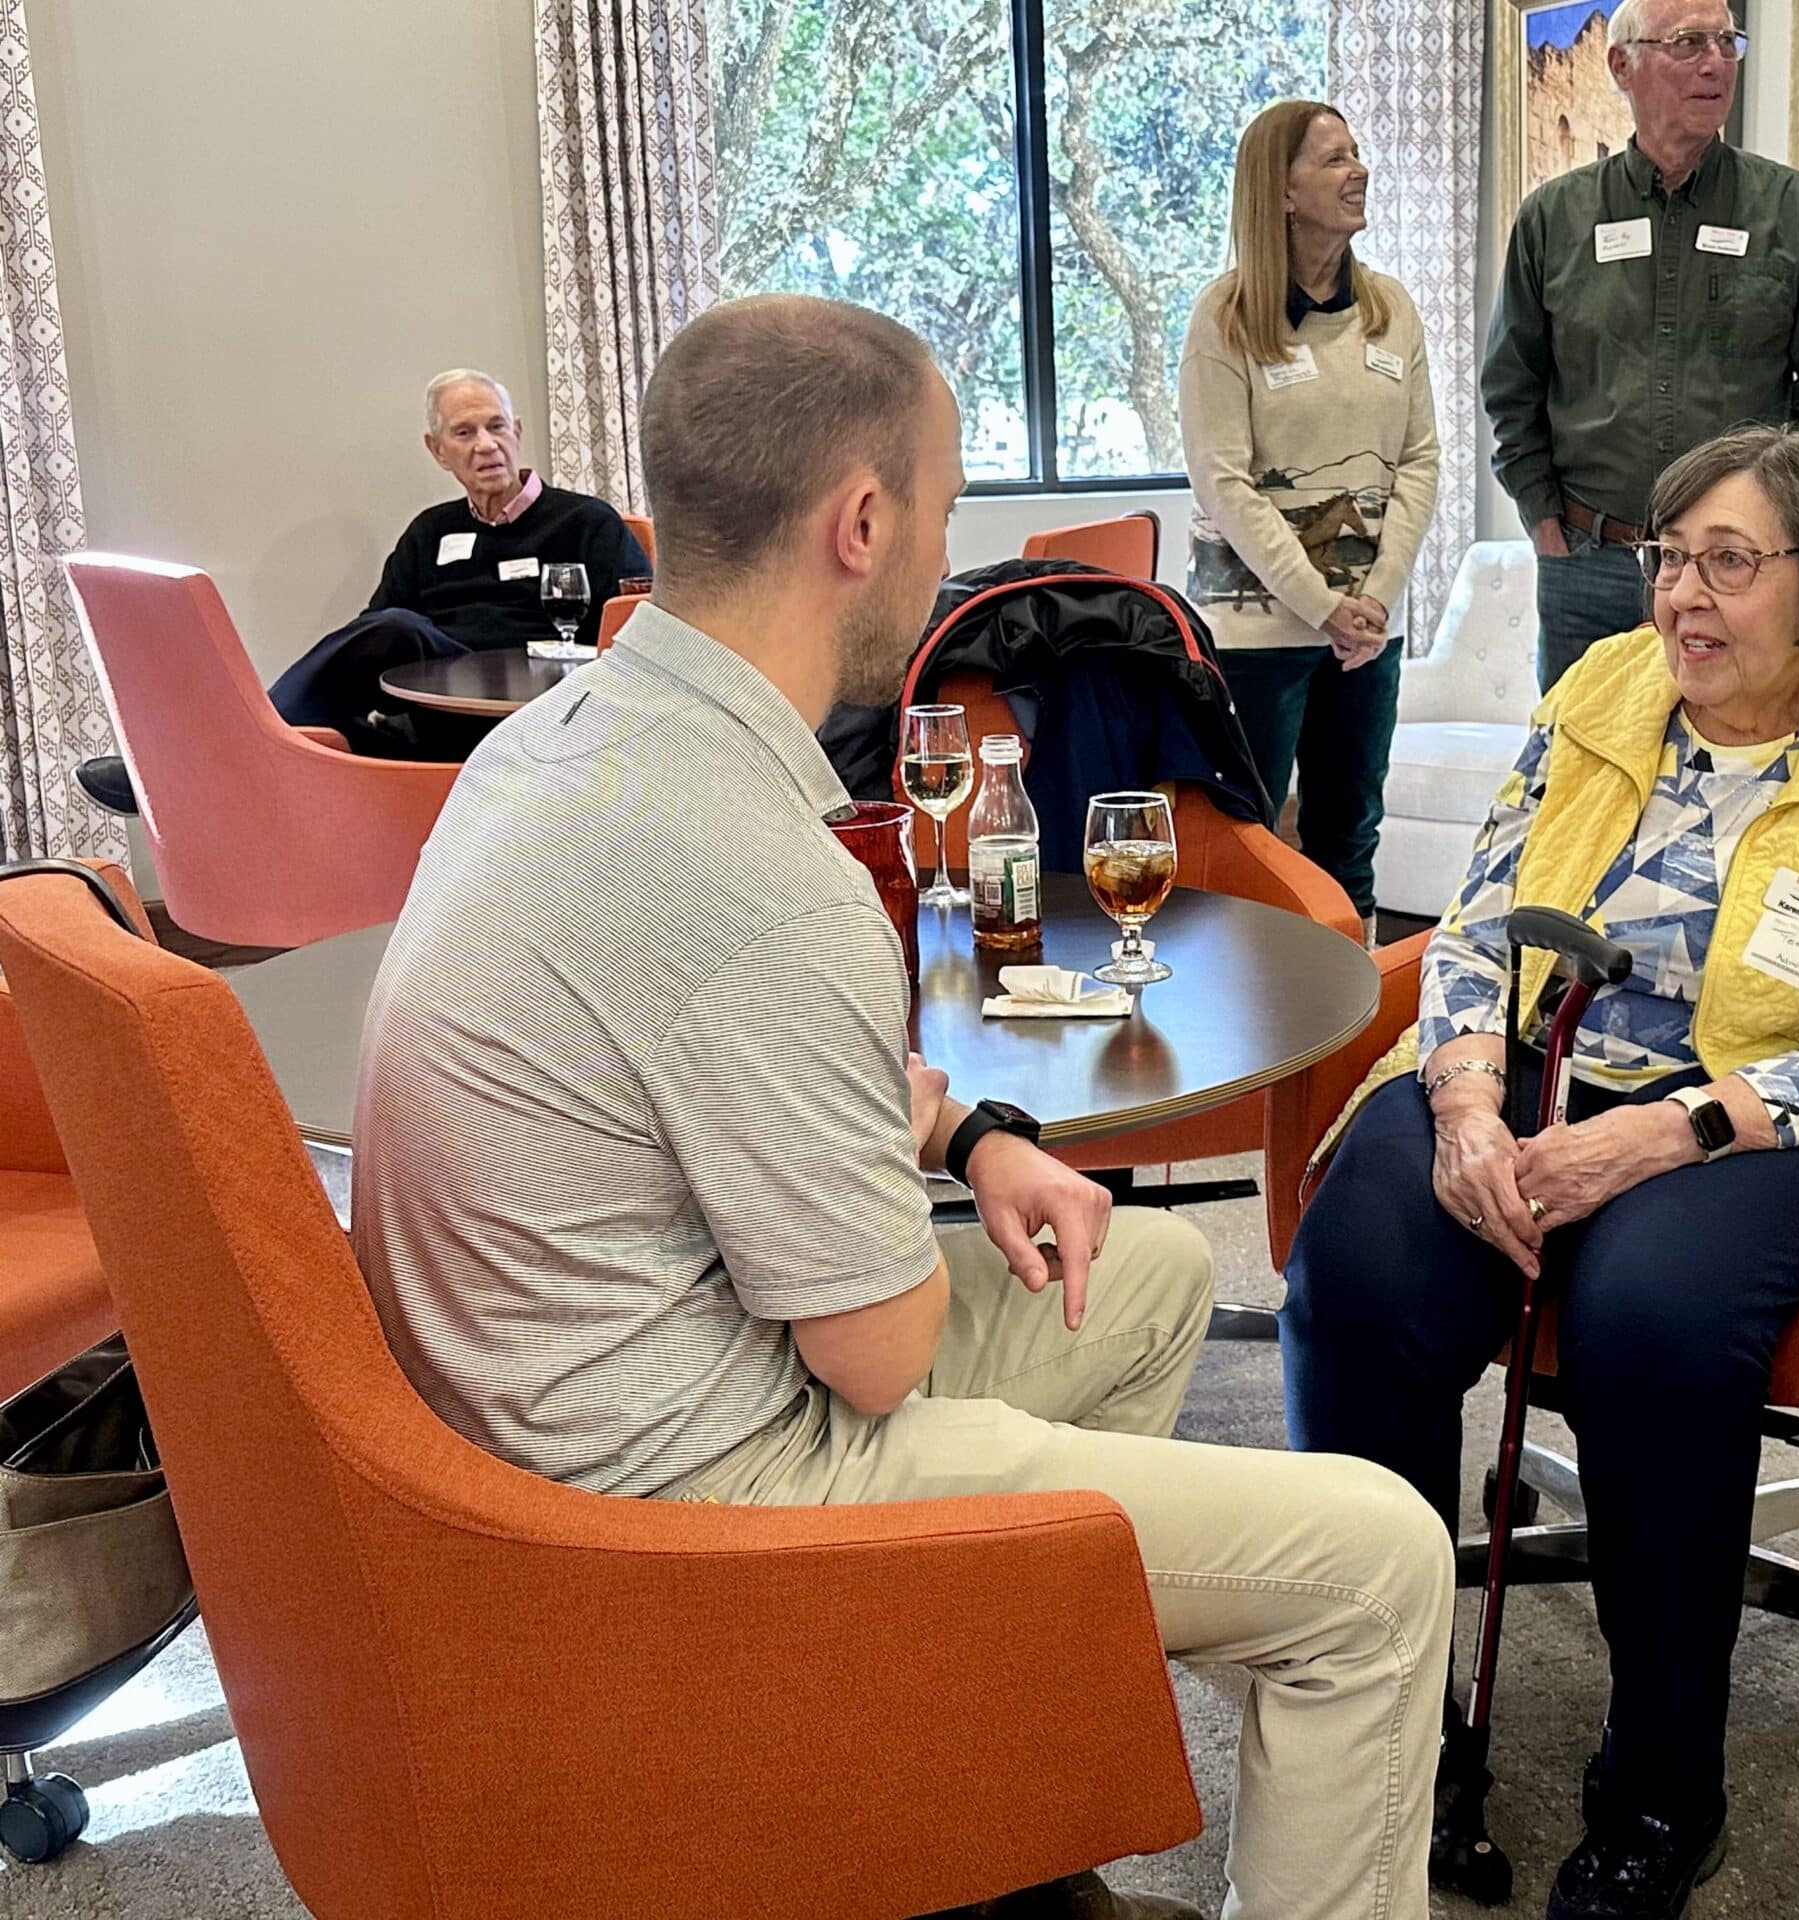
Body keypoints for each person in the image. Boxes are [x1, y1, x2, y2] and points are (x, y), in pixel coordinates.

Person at [352, 295, 1454, 1920]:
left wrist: (970, 1137)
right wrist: (887, 1179)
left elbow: (739, 1056)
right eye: (944, 509)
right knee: (1377, 1560)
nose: (950, 556)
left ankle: (981, 1815)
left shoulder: (558, 741)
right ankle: (905, 1725)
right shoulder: (757, 871)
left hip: (556, 1390)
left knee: (1144, 1286)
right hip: (684, 1497)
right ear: (861, 524)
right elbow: (867, 1349)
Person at [1281, 427, 1799, 1919]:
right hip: (1528, 1059)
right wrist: (1467, 1100)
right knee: (1359, 1270)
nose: (1680, 597)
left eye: (1728, 563)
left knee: (1653, 1328)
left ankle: (1665, 1788)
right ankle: (1396, 1737)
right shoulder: (1599, 692)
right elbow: (1472, 922)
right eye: (1670, 558)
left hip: (1739, 1106)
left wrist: (1671, 1132)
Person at [1482, 0, 1799, 692]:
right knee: (1582, 775)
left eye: (1726, 42)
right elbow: (1512, 383)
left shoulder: (1796, 212)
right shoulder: (1553, 217)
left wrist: (1790, 542)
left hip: (1738, 575)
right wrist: (1541, 513)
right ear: (1622, 65)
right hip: (1589, 561)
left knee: (1734, 777)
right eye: (1689, 43)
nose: (1716, 61)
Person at [1179, 100, 1441, 936]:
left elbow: (1421, 460)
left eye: (1357, 153)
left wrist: (1375, 601)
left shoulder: (1391, 310)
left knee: (1349, 835)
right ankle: (1258, 1034)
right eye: (1333, 159)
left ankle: (1352, 1031)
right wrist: (1319, 602)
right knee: (1250, 841)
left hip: (1366, 632)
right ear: (1280, 192)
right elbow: (1224, 483)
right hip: (1259, 632)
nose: (1357, 170)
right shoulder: (1224, 318)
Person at [265, 369, 650, 757]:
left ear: (516, 433)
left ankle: (259, 729)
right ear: (437, 450)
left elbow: (636, 622)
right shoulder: (429, 531)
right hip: (441, 708)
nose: (486, 445)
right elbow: (374, 632)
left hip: (542, 706)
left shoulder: (585, 521)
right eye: (464, 433)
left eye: (496, 426)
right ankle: (263, 729)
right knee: (372, 658)